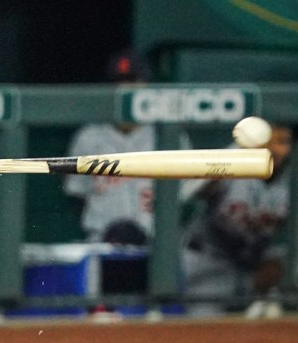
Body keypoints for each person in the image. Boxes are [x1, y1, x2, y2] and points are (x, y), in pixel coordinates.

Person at [63, 49, 192, 320]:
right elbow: (76, 195)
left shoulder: (168, 134)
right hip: (102, 247)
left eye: (133, 80)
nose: (126, 88)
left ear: (146, 85)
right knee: (96, 322)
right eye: (118, 81)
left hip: (157, 246)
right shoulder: (89, 136)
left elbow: (187, 196)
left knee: (164, 321)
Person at [180, 123, 292, 319]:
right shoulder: (232, 168)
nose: (274, 149)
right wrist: (234, 153)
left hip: (256, 267)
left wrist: (279, 263)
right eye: (267, 141)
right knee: (202, 328)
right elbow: (186, 193)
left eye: (282, 142)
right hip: (210, 263)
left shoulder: (291, 182)